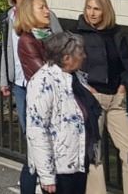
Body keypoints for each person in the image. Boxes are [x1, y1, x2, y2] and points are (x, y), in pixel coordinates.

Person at [0, 0, 63, 194]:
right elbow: (6, 49)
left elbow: (61, 44)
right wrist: (3, 79)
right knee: (33, 135)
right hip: (21, 81)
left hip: (42, 85)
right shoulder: (11, 19)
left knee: (40, 137)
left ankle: (37, 175)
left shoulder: (46, 20)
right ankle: (36, 176)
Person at [75, 0, 128, 194]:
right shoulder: (79, 35)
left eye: (96, 9)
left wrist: (123, 86)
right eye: (89, 8)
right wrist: (87, 89)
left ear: (105, 11)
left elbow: (126, 65)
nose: (91, 13)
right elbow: (73, 67)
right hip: (93, 98)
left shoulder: (117, 34)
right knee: (95, 153)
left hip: (116, 99)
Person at [26, 32, 101, 194]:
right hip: (58, 168)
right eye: (80, 54)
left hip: (77, 162)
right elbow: (37, 130)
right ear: (67, 58)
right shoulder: (42, 82)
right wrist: (46, 176)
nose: (85, 56)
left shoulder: (76, 78)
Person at [16, 0, 57, 194]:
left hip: (56, 109)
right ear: (29, 12)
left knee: (43, 160)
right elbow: (44, 74)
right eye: (41, 7)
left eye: (46, 6)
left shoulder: (49, 35)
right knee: (38, 160)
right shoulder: (27, 40)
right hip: (42, 107)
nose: (47, 11)